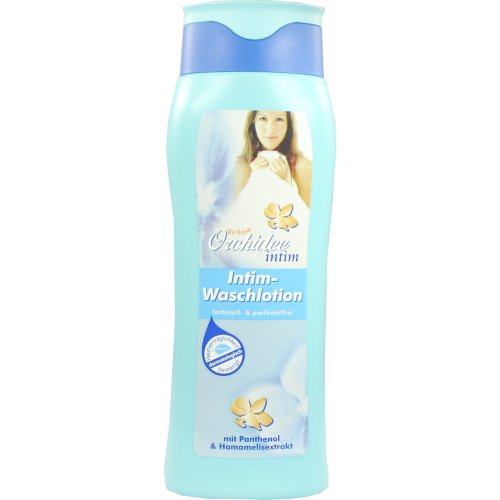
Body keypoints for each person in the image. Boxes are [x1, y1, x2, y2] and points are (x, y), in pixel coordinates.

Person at [234, 111, 312, 207]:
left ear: (288, 124)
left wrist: (284, 184)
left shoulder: (303, 167)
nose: (270, 129)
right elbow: (236, 213)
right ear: (253, 123)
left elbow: (308, 215)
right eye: (263, 118)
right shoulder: (239, 167)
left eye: (279, 119)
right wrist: (255, 179)